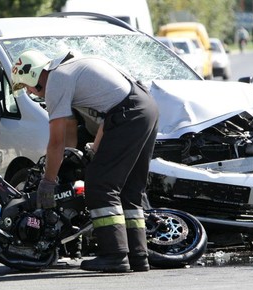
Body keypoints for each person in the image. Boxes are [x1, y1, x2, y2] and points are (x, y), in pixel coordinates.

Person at [11, 50, 159, 273]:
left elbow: (57, 142)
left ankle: (114, 255)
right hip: (145, 107)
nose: (31, 92)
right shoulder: (75, 68)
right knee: (129, 189)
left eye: (27, 86)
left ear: (33, 76)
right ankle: (138, 256)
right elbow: (109, 113)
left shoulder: (56, 81)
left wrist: (48, 182)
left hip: (129, 114)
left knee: (99, 185)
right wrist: (95, 148)